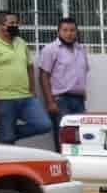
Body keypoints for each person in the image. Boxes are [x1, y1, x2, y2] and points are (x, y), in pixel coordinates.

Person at [0, 12, 51, 145]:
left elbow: (29, 66)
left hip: (26, 98)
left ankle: (3, 133)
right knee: (7, 142)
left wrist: (33, 90)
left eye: (17, 23)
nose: (16, 26)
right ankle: (5, 135)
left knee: (44, 125)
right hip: (2, 100)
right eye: (12, 23)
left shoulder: (21, 42)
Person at [37, 17, 90, 152]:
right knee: (63, 135)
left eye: (72, 30)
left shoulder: (81, 49)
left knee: (80, 135)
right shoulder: (50, 50)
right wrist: (50, 102)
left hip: (78, 100)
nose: (69, 33)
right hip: (60, 101)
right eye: (65, 30)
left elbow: (83, 71)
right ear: (58, 32)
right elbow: (43, 76)